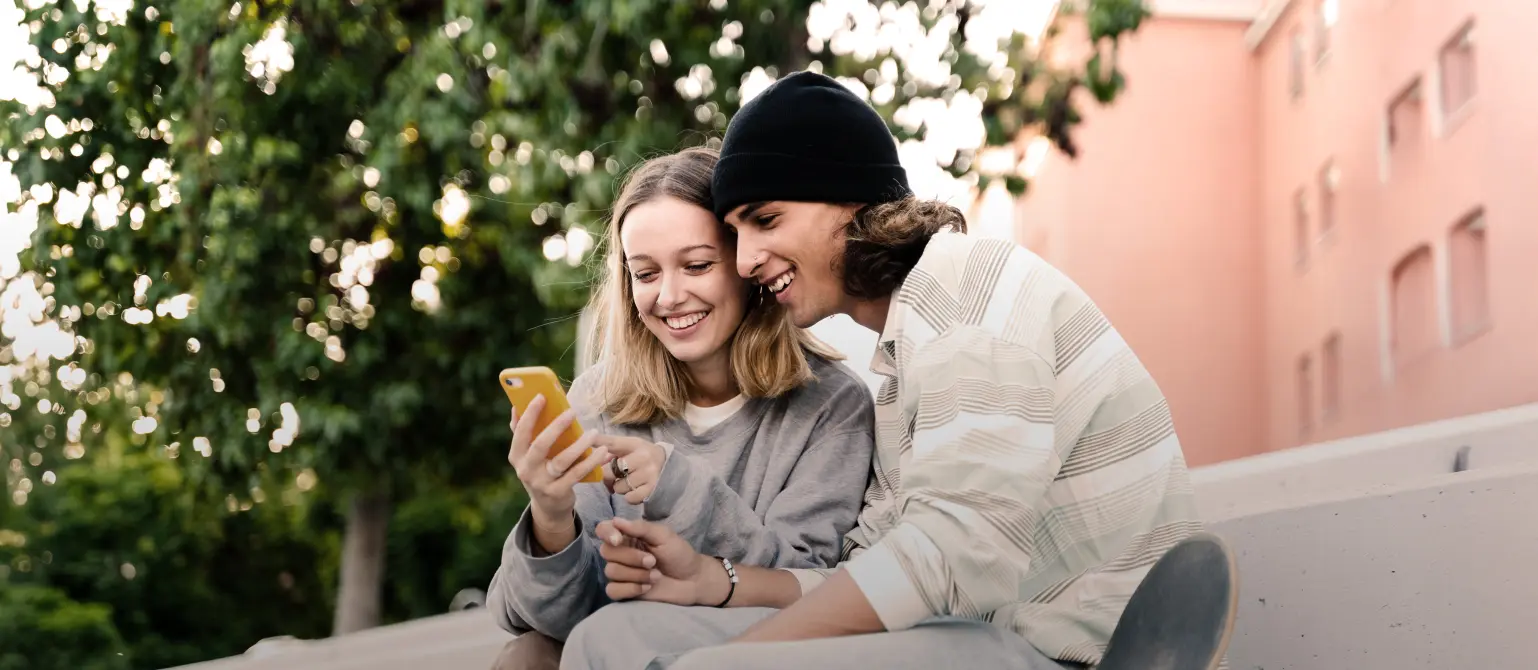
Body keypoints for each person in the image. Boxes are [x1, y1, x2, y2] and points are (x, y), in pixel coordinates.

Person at [558, 72, 1203, 670]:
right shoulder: (903, 355)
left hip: (1055, 652)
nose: (747, 258)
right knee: (607, 639)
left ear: (848, 198)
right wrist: (716, 581)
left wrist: (739, 659)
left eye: (765, 220)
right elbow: (870, 573)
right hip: (961, 638)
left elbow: (954, 556)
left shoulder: (969, 286)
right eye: (734, 231)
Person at [484, 147, 878, 669]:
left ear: (745, 265)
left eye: (696, 265)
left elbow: (807, 587)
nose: (669, 296)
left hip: (755, 648)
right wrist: (551, 517)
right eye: (645, 274)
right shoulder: (600, 400)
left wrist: (680, 488)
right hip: (617, 643)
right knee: (526, 656)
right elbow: (553, 622)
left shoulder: (833, 406)